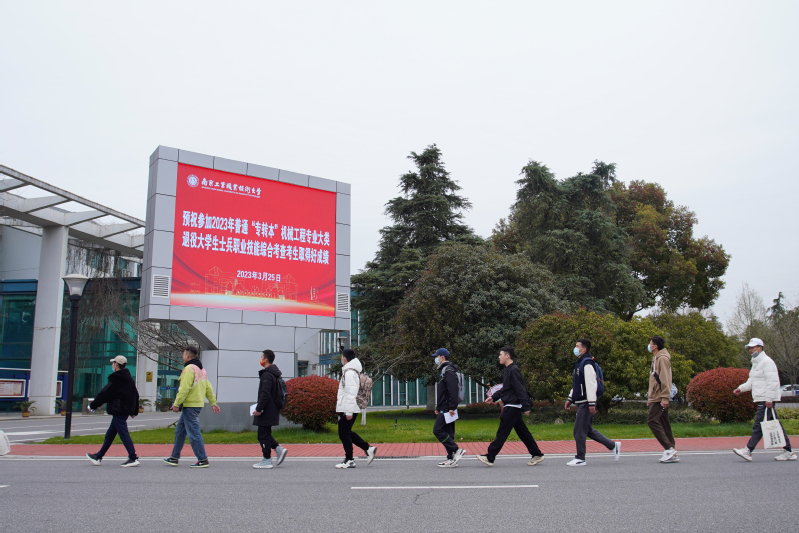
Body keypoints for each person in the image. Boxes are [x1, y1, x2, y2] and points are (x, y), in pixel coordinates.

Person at [477, 346, 544, 467]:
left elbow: (520, 389)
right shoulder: (509, 370)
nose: (499, 357)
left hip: (512, 406)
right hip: (513, 406)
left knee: (502, 433)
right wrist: (494, 397)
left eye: (501, 354)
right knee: (523, 433)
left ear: (507, 356)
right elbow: (506, 388)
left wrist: (526, 406)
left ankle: (490, 457)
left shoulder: (513, 370)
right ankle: (537, 454)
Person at [733, 338, 795, 461]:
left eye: (752, 348)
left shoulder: (767, 362)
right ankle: (789, 451)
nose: (750, 350)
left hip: (765, 400)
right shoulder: (756, 363)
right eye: (749, 348)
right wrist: (741, 388)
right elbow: (751, 381)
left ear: (760, 348)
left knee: (758, 425)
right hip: (762, 399)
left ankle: (748, 450)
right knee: (775, 425)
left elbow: (773, 382)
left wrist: (769, 399)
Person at [564, 339, 621, 466]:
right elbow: (577, 384)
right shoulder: (579, 362)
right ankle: (613, 446)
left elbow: (591, 384)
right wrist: (570, 398)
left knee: (578, 431)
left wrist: (591, 403)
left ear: (584, 349)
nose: (575, 348)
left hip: (586, 402)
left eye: (577, 346)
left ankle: (580, 458)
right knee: (587, 429)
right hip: (582, 401)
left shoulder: (587, 363)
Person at [163, 346, 221, 468]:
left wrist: (176, 404)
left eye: (183, 354)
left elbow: (184, 389)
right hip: (196, 404)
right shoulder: (201, 370)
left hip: (190, 405)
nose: (182, 357)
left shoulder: (189, 369)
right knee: (180, 431)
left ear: (187, 356)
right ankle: (174, 457)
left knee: (194, 433)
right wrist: (213, 403)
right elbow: (208, 387)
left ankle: (202, 459)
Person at [85, 356, 140, 467]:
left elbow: (105, 393)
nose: (112, 365)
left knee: (123, 433)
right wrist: (134, 410)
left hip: (118, 409)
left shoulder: (116, 378)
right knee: (110, 434)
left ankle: (133, 457)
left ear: (116, 364)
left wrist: (93, 405)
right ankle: (99, 456)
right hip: (124, 410)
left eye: (113, 363)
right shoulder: (128, 378)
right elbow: (135, 394)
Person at [334, 348, 376, 468]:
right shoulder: (351, 371)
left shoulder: (349, 373)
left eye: (342, 357)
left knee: (343, 434)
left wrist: (348, 411)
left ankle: (350, 460)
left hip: (348, 408)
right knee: (346, 433)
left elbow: (351, 392)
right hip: (349, 407)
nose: (341, 359)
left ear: (344, 358)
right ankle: (367, 449)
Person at [252, 349, 288, 469]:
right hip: (272, 408)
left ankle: (267, 459)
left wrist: (259, 409)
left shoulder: (267, 374)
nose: (260, 359)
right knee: (265, 433)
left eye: (262, 357)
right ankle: (278, 449)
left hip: (267, 409)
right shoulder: (274, 373)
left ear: (266, 359)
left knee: (262, 435)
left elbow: (265, 394)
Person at [432, 348, 466, 467]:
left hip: (447, 407)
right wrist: (438, 407)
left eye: (437, 356)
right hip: (445, 406)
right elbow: (443, 391)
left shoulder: (448, 370)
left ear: (442, 357)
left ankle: (456, 450)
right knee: (448, 432)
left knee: (437, 430)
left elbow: (452, 390)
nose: (436, 359)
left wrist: (452, 406)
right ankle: (451, 458)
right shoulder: (444, 370)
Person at [647, 335, 679, 463]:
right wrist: (650, 397)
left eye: (650, 343)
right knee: (664, 423)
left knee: (652, 421)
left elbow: (665, 378)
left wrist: (665, 397)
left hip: (660, 396)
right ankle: (672, 450)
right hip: (656, 396)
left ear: (655, 346)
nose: (649, 346)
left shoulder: (662, 359)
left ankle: (669, 449)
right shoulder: (656, 358)